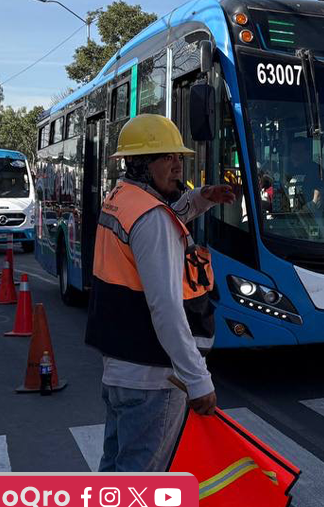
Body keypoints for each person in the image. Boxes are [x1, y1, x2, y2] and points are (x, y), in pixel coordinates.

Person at [85, 114, 236, 472]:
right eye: (166, 157)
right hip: (152, 379)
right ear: (140, 163)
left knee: (116, 478)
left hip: (120, 370)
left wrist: (201, 199)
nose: (177, 164)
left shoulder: (121, 198)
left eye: (178, 157)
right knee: (142, 489)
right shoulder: (151, 218)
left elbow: (168, 211)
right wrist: (198, 380)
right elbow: (166, 308)